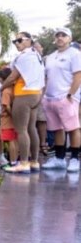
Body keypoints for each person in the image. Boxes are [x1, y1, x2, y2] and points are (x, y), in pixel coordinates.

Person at [1, 32, 45, 174]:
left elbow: (13, 76)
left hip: (24, 94)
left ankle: (24, 163)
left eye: (19, 40)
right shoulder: (37, 56)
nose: (17, 43)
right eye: (15, 41)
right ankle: (34, 162)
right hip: (36, 94)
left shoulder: (24, 56)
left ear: (29, 40)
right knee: (31, 128)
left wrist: (1, 88)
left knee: (21, 130)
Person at [41, 27, 81, 172]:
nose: (60, 37)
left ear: (69, 39)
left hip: (67, 97)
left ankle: (75, 159)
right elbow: (46, 78)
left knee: (73, 128)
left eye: (63, 35)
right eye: (57, 35)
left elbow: (78, 75)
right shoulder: (50, 57)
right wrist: (43, 96)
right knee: (56, 129)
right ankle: (59, 159)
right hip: (50, 98)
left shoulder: (75, 54)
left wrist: (70, 94)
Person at [0, 66, 18, 167]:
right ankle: (16, 161)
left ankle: (12, 162)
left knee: (11, 141)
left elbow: (6, 106)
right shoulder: (15, 88)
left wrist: (12, 115)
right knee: (15, 140)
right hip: (16, 119)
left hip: (7, 119)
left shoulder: (6, 91)